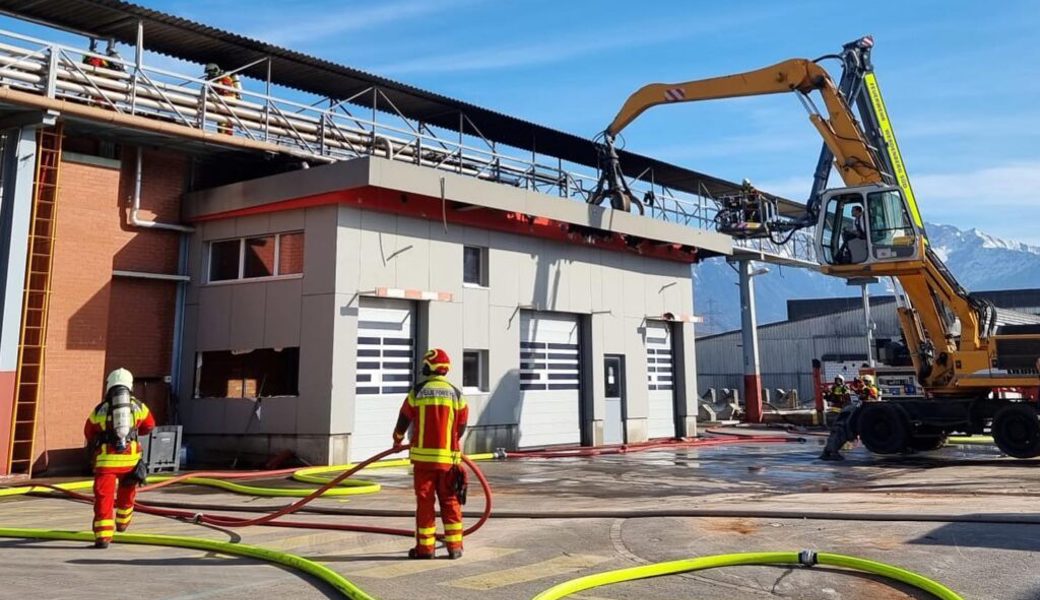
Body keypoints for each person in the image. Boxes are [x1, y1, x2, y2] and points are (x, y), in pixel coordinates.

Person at [391, 348, 468, 560]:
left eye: (425, 364)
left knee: (425, 504)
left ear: (430, 366)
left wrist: (397, 439)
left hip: (424, 462)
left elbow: (404, 419)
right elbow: (461, 426)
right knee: (451, 501)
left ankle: (425, 550)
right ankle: (455, 548)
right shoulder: (457, 394)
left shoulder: (418, 391)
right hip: (449, 461)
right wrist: (451, 442)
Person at [84, 368, 155, 548]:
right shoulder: (139, 406)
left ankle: (103, 537)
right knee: (127, 493)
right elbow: (149, 426)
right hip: (130, 460)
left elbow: (88, 432)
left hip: (106, 462)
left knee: (104, 498)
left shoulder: (100, 409)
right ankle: (123, 523)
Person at [819, 374, 882, 461]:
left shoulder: (870, 390)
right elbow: (859, 395)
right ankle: (830, 452)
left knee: (839, 431)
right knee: (839, 431)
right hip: (843, 411)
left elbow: (866, 395)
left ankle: (828, 451)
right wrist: (828, 395)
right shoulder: (837, 388)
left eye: (865, 382)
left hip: (848, 410)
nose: (862, 384)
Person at [203, 63, 242, 134]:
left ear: (215, 70)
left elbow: (226, 90)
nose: (209, 74)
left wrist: (216, 87)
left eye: (210, 72)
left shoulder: (225, 78)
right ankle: (222, 134)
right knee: (220, 121)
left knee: (227, 122)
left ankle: (227, 135)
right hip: (221, 103)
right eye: (208, 72)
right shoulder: (214, 80)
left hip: (228, 102)